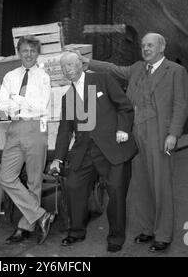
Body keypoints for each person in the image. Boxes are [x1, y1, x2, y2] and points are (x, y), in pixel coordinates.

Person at [81, 33, 188, 252]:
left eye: (150, 45)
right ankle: (147, 229)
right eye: (143, 45)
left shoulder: (176, 71)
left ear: (162, 47)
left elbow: (181, 104)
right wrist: (89, 62)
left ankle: (163, 234)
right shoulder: (138, 67)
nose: (146, 48)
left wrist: (174, 134)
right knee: (140, 184)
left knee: (161, 185)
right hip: (134, 132)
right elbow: (114, 69)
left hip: (160, 133)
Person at [49, 52, 137, 252]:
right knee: (72, 185)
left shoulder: (101, 79)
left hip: (112, 147)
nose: (67, 69)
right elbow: (65, 130)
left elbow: (124, 107)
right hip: (84, 151)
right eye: (63, 67)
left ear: (80, 64)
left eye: (70, 64)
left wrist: (122, 129)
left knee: (115, 190)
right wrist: (57, 159)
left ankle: (116, 237)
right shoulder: (68, 96)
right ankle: (76, 231)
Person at [0, 35, 55, 245]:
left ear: (37, 52)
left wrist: (17, 100)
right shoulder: (11, 75)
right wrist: (18, 103)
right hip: (15, 128)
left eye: (32, 50)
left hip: (36, 127)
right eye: (25, 50)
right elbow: (3, 104)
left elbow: (41, 106)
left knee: (34, 181)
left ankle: (26, 226)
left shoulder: (43, 77)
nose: (28, 54)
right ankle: (41, 215)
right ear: (18, 52)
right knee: (6, 177)